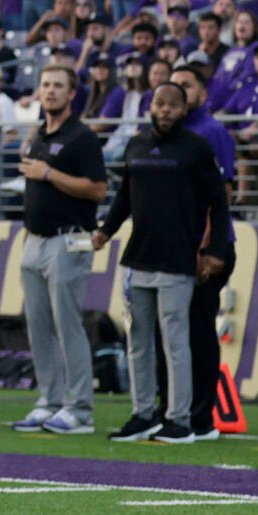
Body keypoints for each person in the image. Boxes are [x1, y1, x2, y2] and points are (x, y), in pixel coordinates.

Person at [96, 81, 231, 444]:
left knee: (175, 341)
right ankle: (142, 415)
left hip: (177, 260)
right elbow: (125, 196)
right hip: (138, 257)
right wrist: (105, 232)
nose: (166, 109)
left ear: (184, 110)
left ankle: (180, 419)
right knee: (137, 341)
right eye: (160, 103)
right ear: (150, 106)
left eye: (174, 104)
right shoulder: (136, 144)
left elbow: (219, 202)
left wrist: (214, 250)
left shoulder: (196, 149)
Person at [11, 64, 108, 436]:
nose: (49, 91)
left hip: (68, 240)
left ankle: (80, 408)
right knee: (38, 327)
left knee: (68, 326)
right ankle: (49, 401)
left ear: (72, 94)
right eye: (45, 85)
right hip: (34, 240)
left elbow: (97, 189)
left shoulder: (82, 137)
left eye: (57, 86)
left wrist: (49, 174)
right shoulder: (38, 135)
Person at [168, 61, 237, 441]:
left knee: (198, 329)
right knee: (175, 332)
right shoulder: (170, 134)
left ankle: (202, 417)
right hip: (174, 247)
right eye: (173, 85)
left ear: (203, 93)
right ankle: (176, 410)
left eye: (187, 86)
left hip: (206, 248)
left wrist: (209, 247)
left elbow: (222, 193)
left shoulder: (212, 131)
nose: (179, 92)